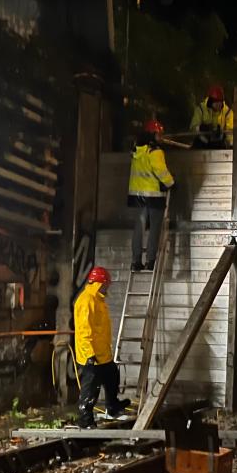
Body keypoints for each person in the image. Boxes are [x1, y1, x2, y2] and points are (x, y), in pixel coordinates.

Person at [74, 267, 130, 428]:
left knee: (112, 376)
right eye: (106, 284)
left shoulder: (98, 300)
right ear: (100, 283)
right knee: (91, 388)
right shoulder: (87, 301)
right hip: (90, 355)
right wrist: (89, 355)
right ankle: (85, 419)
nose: (108, 288)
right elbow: (84, 330)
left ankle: (112, 406)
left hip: (102, 354)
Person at [127, 119, 174, 272]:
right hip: (154, 197)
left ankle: (135, 262)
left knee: (138, 230)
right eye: (158, 134)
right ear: (152, 134)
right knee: (154, 229)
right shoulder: (156, 152)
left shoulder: (136, 150)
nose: (160, 137)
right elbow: (161, 172)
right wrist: (171, 183)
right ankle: (150, 261)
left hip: (137, 196)